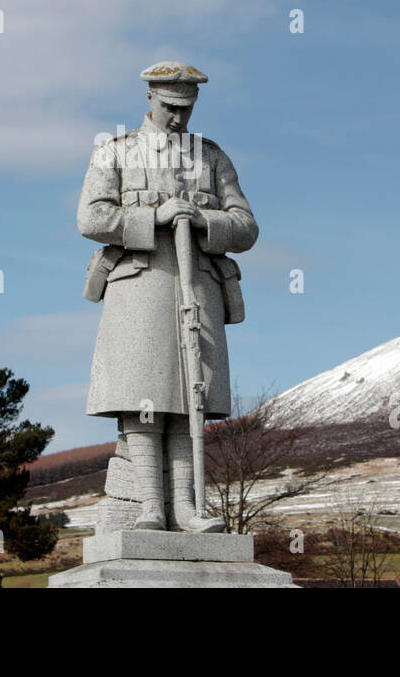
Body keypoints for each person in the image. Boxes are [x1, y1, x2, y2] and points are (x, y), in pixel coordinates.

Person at [77, 61, 258, 532]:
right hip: (138, 287)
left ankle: (186, 508)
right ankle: (150, 508)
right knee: (143, 396)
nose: (178, 117)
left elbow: (247, 227)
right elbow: (91, 218)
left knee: (187, 398)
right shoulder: (115, 152)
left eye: (187, 108)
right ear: (150, 98)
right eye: (170, 106)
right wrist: (156, 217)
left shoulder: (212, 158)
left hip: (197, 287)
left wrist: (205, 222)